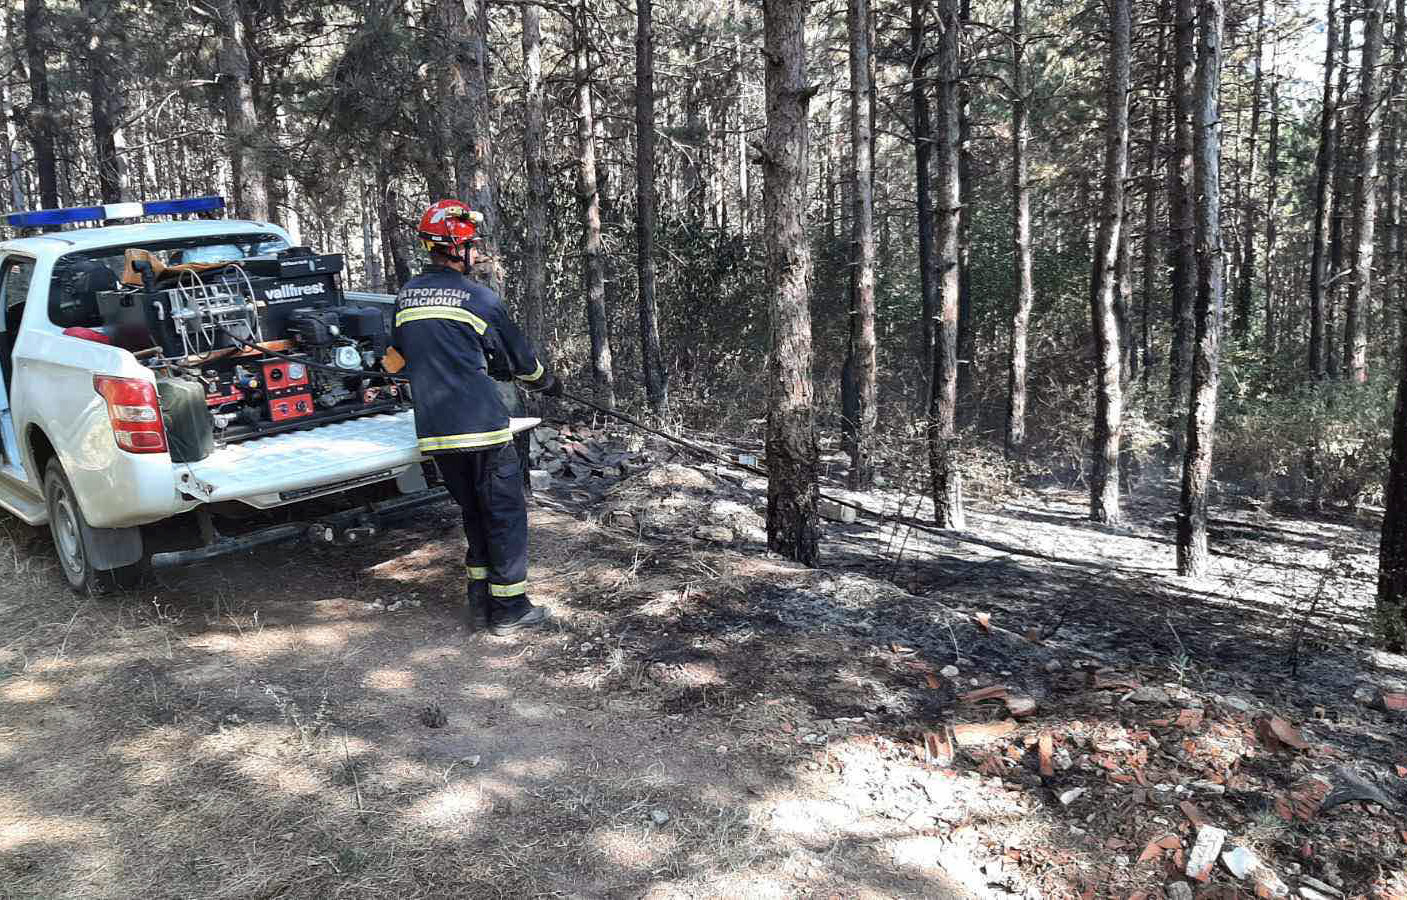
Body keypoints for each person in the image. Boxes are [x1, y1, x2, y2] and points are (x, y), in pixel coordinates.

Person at [389, 199, 563, 636]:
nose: (476, 253)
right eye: (473, 246)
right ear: (456, 248)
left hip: (435, 432)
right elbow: (522, 362)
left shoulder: (406, 296)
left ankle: (480, 602)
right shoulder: (479, 298)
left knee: (474, 513)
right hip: (483, 429)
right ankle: (510, 610)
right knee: (504, 513)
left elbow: (393, 361)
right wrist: (546, 384)